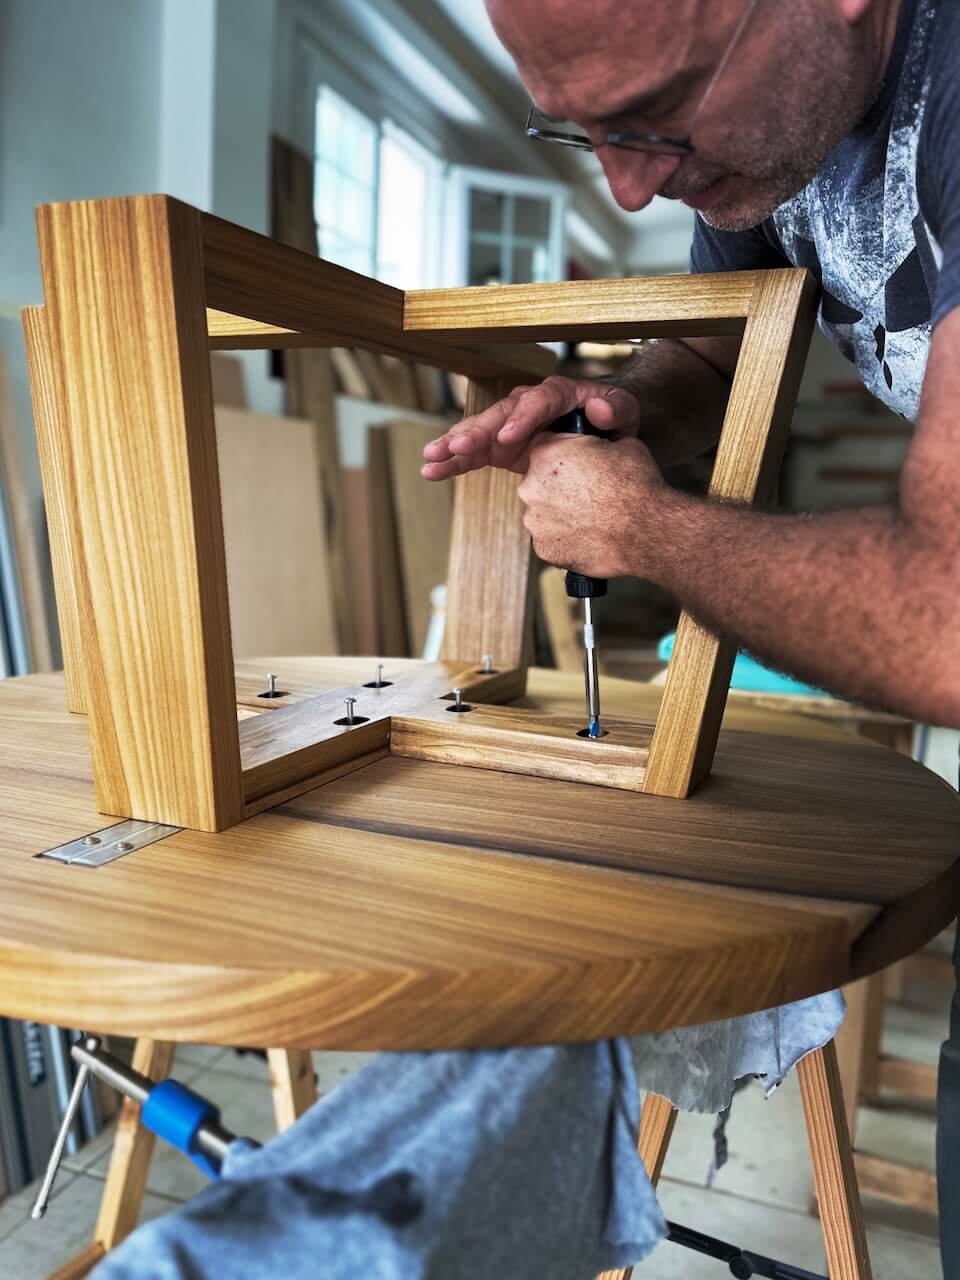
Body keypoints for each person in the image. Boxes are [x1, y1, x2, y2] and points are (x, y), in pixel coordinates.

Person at [421, 0, 960, 1271]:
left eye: (655, 117)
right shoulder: (774, 120)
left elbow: (948, 620)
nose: (628, 188)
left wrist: (651, 533)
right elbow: (711, 357)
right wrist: (621, 403)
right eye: (582, 133)